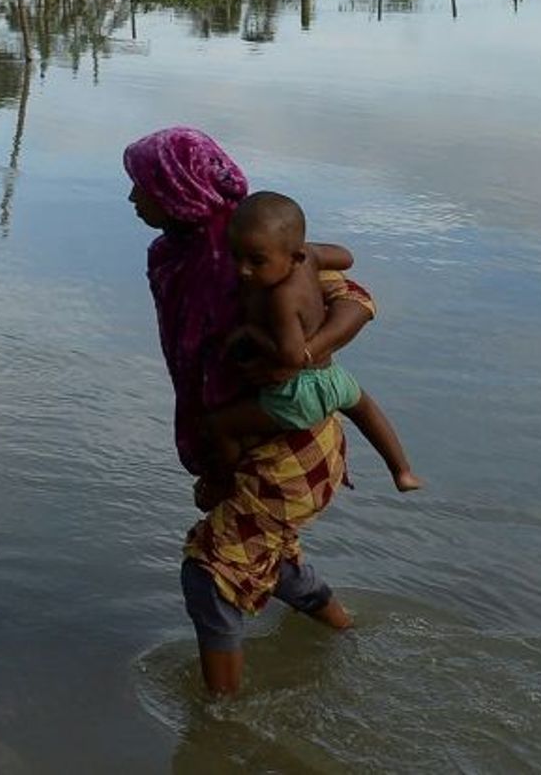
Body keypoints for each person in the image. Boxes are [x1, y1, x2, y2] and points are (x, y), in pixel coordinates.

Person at [122, 127, 377, 696]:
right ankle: (347, 635)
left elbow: (356, 298)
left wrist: (304, 353)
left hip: (291, 444)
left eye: (144, 187)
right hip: (249, 445)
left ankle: (222, 719)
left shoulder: (252, 245)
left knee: (208, 575)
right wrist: (214, 467)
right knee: (265, 554)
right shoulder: (180, 254)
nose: (134, 199)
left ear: (179, 187)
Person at [210, 190, 423, 495]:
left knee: (220, 425)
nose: (243, 270)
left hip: (298, 393)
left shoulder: (281, 298)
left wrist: (251, 333)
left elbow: (293, 357)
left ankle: (228, 486)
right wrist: (306, 251)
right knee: (364, 408)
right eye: (236, 256)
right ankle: (402, 471)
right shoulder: (308, 256)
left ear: (292, 258)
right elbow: (346, 256)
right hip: (333, 378)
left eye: (257, 261)